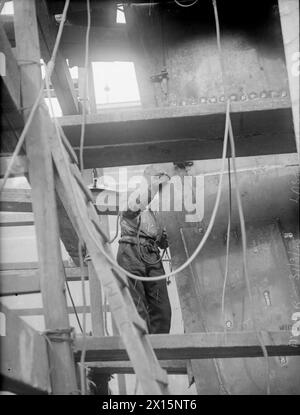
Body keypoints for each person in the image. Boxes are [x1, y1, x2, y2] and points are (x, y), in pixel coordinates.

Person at [117, 165, 172, 334]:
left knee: (162, 311)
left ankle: (159, 353)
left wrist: (166, 235)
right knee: (138, 310)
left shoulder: (160, 205)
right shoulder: (134, 194)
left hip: (151, 255)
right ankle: (144, 352)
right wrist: (153, 187)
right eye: (158, 179)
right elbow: (130, 211)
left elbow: (162, 240)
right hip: (131, 251)